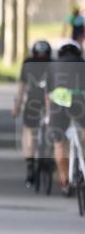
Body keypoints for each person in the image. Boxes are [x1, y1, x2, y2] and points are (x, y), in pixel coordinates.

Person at [46, 39, 85, 196]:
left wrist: (49, 115)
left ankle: (64, 180)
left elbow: (48, 95)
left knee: (59, 143)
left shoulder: (52, 66)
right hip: (81, 102)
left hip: (59, 104)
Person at [13, 40, 52, 184]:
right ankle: (48, 159)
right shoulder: (54, 64)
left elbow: (21, 88)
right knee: (54, 132)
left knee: (29, 133)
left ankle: (30, 164)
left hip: (32, 103)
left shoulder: (27, 64)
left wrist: (17, 106)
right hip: (52, 104)